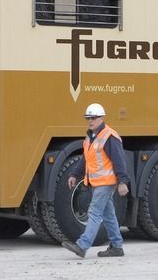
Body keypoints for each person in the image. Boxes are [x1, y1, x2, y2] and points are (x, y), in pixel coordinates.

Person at [61, 103, 130, 258]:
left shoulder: (109, 136)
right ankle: (117, 247)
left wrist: (122, 181)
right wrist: (74, 174)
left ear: (102, 118)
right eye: (88, 118)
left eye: (93, 118)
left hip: (105, 183)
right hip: (96, 182)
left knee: (94, 212)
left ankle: (82, 245)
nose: (90, 121)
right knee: (108, 215)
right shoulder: (91, 137)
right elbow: (85, 159)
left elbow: (119, 160)